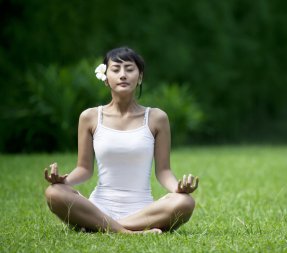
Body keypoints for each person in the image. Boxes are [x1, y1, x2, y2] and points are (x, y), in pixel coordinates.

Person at [44, 46, 199, 234]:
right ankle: (128, 233)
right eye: (116, 69)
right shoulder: (90, 117)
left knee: (185, 202)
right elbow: (84, 169)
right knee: (54, 192)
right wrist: (64, 180)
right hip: (99, 207)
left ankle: (100, 227)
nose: (123, 75)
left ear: (140, 77)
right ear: (106, 78)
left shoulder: (157, 118)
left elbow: (163, 171)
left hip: (143, 212)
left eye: (129, 69)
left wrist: (178, 188)